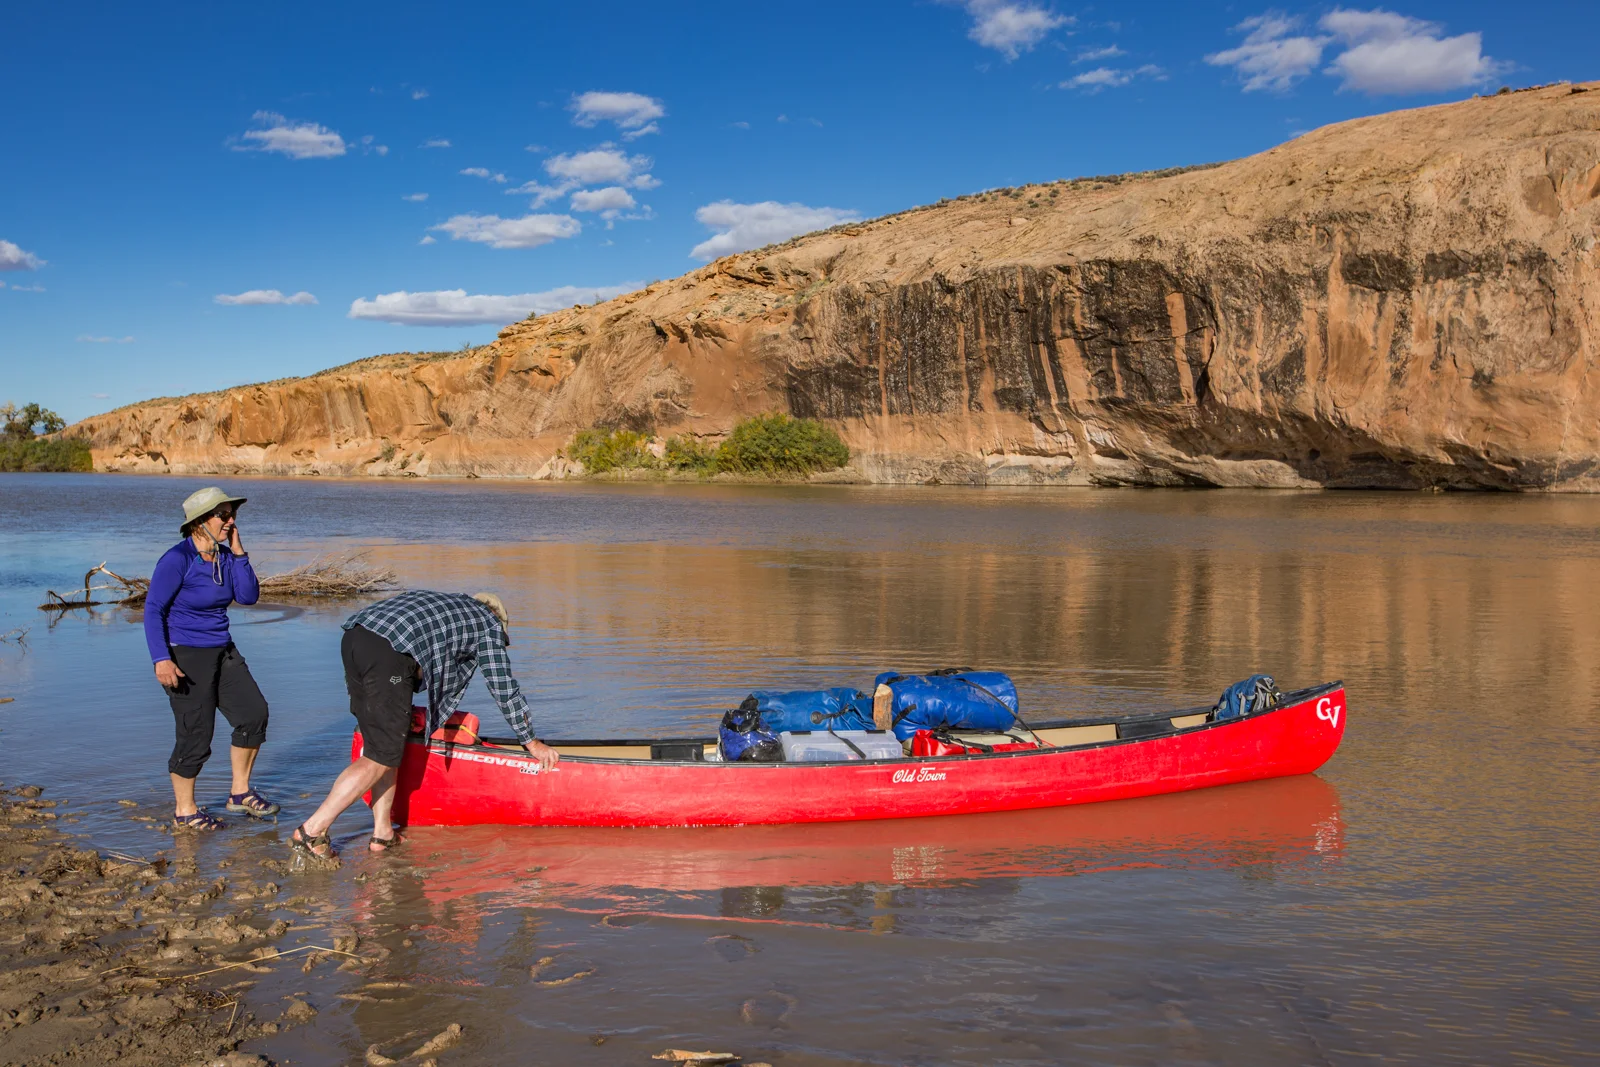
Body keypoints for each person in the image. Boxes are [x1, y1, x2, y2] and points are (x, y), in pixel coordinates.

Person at [289, 590, 559, 859]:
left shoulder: (451, 604)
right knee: (379, 756)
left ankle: (383, 834)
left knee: (387, 748)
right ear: (498, 620)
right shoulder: (487, 625)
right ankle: (312, 831)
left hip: (355, 637)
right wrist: (531, 741)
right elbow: (503, 687)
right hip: (389, 655)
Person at [144, 486, 279, 830]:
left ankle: (239, 793)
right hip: (185, 655)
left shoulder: (222, 556)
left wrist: (237, 550)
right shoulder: (177, 559)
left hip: (223, 649)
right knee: (196, 734)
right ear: (199, 522)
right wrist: (161, 658)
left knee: (253, 714)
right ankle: (185, 811)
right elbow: (153, 610)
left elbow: (248, 596)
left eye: (232, 514)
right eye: (224, 515)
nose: (231, 521)